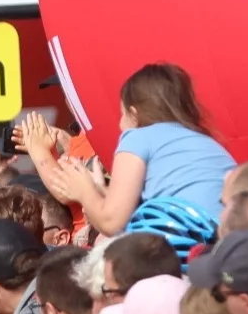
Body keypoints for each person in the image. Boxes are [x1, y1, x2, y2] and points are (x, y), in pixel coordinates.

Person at [35, 62, 233, 235]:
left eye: (122, 115)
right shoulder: (208, 142)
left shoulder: (138, 137)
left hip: (190, 247)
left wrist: (84, 190)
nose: (120, 125)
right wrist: (102, 194)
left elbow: (111, 223)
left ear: (134, 114)